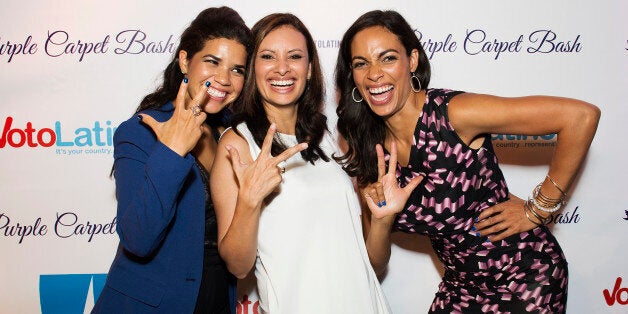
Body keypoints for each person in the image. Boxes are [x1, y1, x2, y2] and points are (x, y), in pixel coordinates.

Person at [334, 10, 600, 314]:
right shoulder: (370, 149)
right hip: (461, 285)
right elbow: (376, 265)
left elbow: (580, 117)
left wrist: (539, 209)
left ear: (413, 61)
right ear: (352, 75)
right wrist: (381, 221)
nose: (374, 74)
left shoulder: (453, 115)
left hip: (524, 274)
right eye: (360, 63)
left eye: (388, 58)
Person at [210, 13, 390, 314]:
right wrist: (249, 201)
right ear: (253, 67)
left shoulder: (328, 136)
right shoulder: (238, 143)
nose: (282, 68)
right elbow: (238, 266)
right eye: (268, 56)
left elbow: (372, 263)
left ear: (309, 70)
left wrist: (382, 221)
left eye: (295, 56)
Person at [92, 7, 251, 313]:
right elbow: (138, 239)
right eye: (212, 62)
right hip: (153, 305)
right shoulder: (141, 132)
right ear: (184, 61)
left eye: (237, 69)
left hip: (217, 297)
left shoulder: (234, 135)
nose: (224, 78)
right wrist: (172, 152)